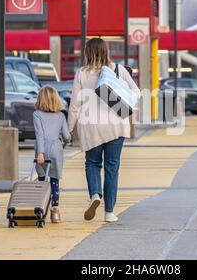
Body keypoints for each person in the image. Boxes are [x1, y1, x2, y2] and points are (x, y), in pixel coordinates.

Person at [68, 37, 139, 223]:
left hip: (91, 127)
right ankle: (109, 212)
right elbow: (137, 92)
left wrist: (68, 129)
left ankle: (95, 195)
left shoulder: (81, 74)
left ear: (87, 52)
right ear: (106, 51)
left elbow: (75, 105)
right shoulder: (118, 70)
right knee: (112, 167)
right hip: (116, 125)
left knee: (92, 163)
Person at [34, 86, 71, 223]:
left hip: (41, 149)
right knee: (55, 180)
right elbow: (67, 136)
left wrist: (40, 153)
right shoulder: (61, 115)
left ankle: (41, 209)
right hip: (56, 148)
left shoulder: (37, 114)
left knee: (43, 180)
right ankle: (55, 212)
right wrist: (64, 143)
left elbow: (39, 135)